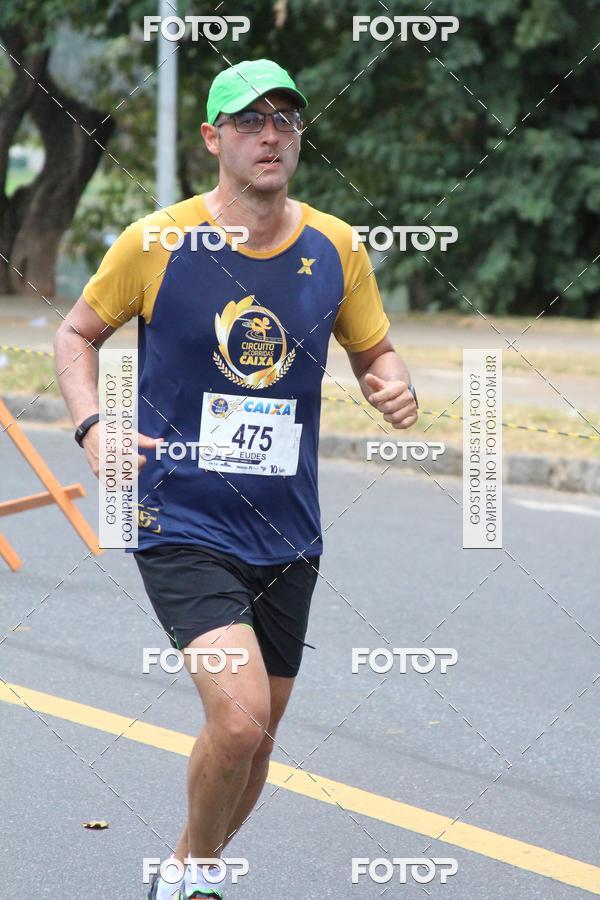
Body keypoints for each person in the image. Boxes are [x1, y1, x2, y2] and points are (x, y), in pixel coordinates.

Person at [54, 58, 418, 899]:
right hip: (178, 516)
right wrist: (93, 423)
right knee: (242, 713)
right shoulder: (156, 242)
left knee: (258, 737)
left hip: (288, 527)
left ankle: (188, 872)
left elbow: (375, 350)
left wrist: (389, 383)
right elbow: (76, 336)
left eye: (284, 120)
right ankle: (191, 878)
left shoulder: (336, 245)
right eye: (249, 122)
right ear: (213, 139)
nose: (270, 135)